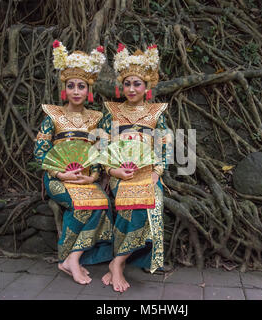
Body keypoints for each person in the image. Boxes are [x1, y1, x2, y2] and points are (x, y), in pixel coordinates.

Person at [34, 40, 112, 285]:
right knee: (81, 205)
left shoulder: (95, 119)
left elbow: (99, 152)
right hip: (59, 179)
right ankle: (70, 260)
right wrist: (60, 175)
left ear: (88, 89)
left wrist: (94, 176)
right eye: (71, 86)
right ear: (64, 89)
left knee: (101, 204)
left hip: (85, 178)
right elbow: (40, 152)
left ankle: (71, 259)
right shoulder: (53, 117)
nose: (76, 91)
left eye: (81, 86)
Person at [99, 43, 172, 292]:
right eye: (127, 83)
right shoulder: (112, 113)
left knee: (151, 204)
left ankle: (117, 263)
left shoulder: (156, 114)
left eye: (137, 83)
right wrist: (112, 172)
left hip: (148, 173)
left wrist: (156, 172)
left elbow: (164, 147)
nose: (131, 88)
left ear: (146, 86)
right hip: (121, 174)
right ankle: (119, 262)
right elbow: (101, 147)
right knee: (131, 205)